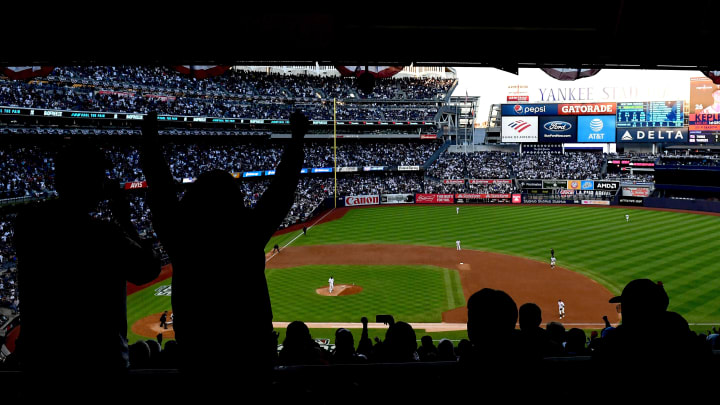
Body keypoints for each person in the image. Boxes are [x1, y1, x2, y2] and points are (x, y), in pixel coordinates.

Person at [140, 110, 308, 398]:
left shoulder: (182, 236)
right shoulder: (246, 232)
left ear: (191, 204)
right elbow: (281, 192)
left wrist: (151, 142)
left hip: (198, 360)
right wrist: (296, 140)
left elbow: (162, 194)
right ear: (236, 204)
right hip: (251, 357)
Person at [13, 141, 161, 398]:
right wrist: (124, 220)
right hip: (99, 367)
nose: (102, 184)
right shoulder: (102, 235)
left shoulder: (29, 226)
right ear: (84, 181)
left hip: (39, 364)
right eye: (98, 177)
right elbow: (148, 269)